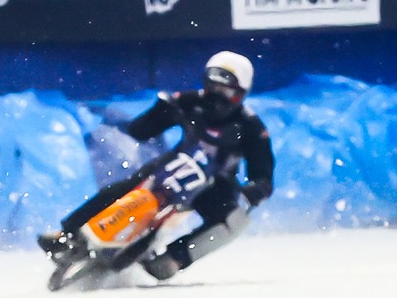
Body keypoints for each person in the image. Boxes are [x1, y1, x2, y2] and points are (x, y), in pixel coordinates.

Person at [39, 51, 274, 280]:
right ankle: (69, 233)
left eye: (226, 91)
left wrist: (254, 190)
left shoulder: (252, 127)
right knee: (128, 187)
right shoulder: (188, 102)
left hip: (214, 185)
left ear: (241, 93)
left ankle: (176, 257)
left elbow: (263, 176)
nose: (217, 97)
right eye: (213, 87)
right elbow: (140, 131)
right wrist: (160, 112)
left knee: (235, 221)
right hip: (173, 166)